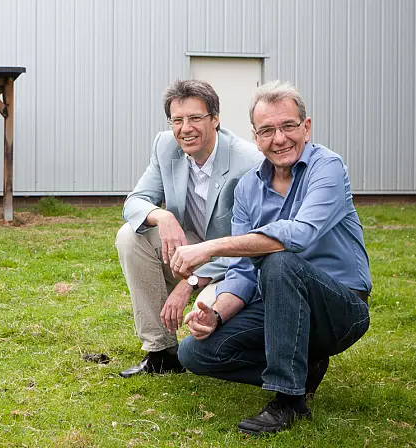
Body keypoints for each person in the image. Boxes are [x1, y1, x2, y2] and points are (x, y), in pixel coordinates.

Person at [171, 80, 372, 435]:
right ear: (255, 136)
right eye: (267, 130)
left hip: (339, 309)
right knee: (194, 353)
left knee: (279, 260)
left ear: (306, 127)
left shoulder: (328, 168)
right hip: (278, 307)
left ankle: (288, 400)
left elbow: (299, 235)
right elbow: (243, 274)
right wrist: (216, 314)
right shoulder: (248, 187)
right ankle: (303, 367)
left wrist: (212, 246)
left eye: (288, 126)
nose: (279, 139)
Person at [116, 79, 262, 378]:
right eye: (177, 120)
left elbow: (251, 244)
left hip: (235, 262)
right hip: (193, 249)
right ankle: (161, 352)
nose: (185, 128)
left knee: (204, 331)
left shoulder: (248, 162)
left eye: (195, 118)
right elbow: (134, 203)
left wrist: (189, 284)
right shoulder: (165, 146)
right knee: (131, 236)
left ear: (215, 119)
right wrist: (162, 217)